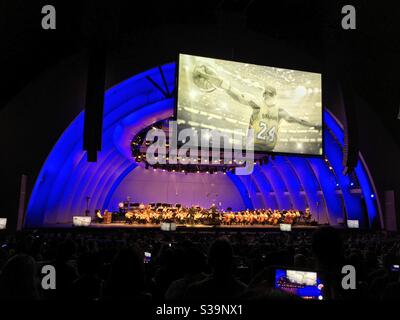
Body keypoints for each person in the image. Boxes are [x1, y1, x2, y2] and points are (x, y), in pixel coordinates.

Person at [193, 65, 322, 152]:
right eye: (266, 93)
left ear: (274, 96)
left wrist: (314, 125)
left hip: (261, 149)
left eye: (269, 93)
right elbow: (233, 92)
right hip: (257, 148)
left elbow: (298, 120)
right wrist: (314, 125)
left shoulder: (274, 109)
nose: (266, 95)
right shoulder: (267, 108)